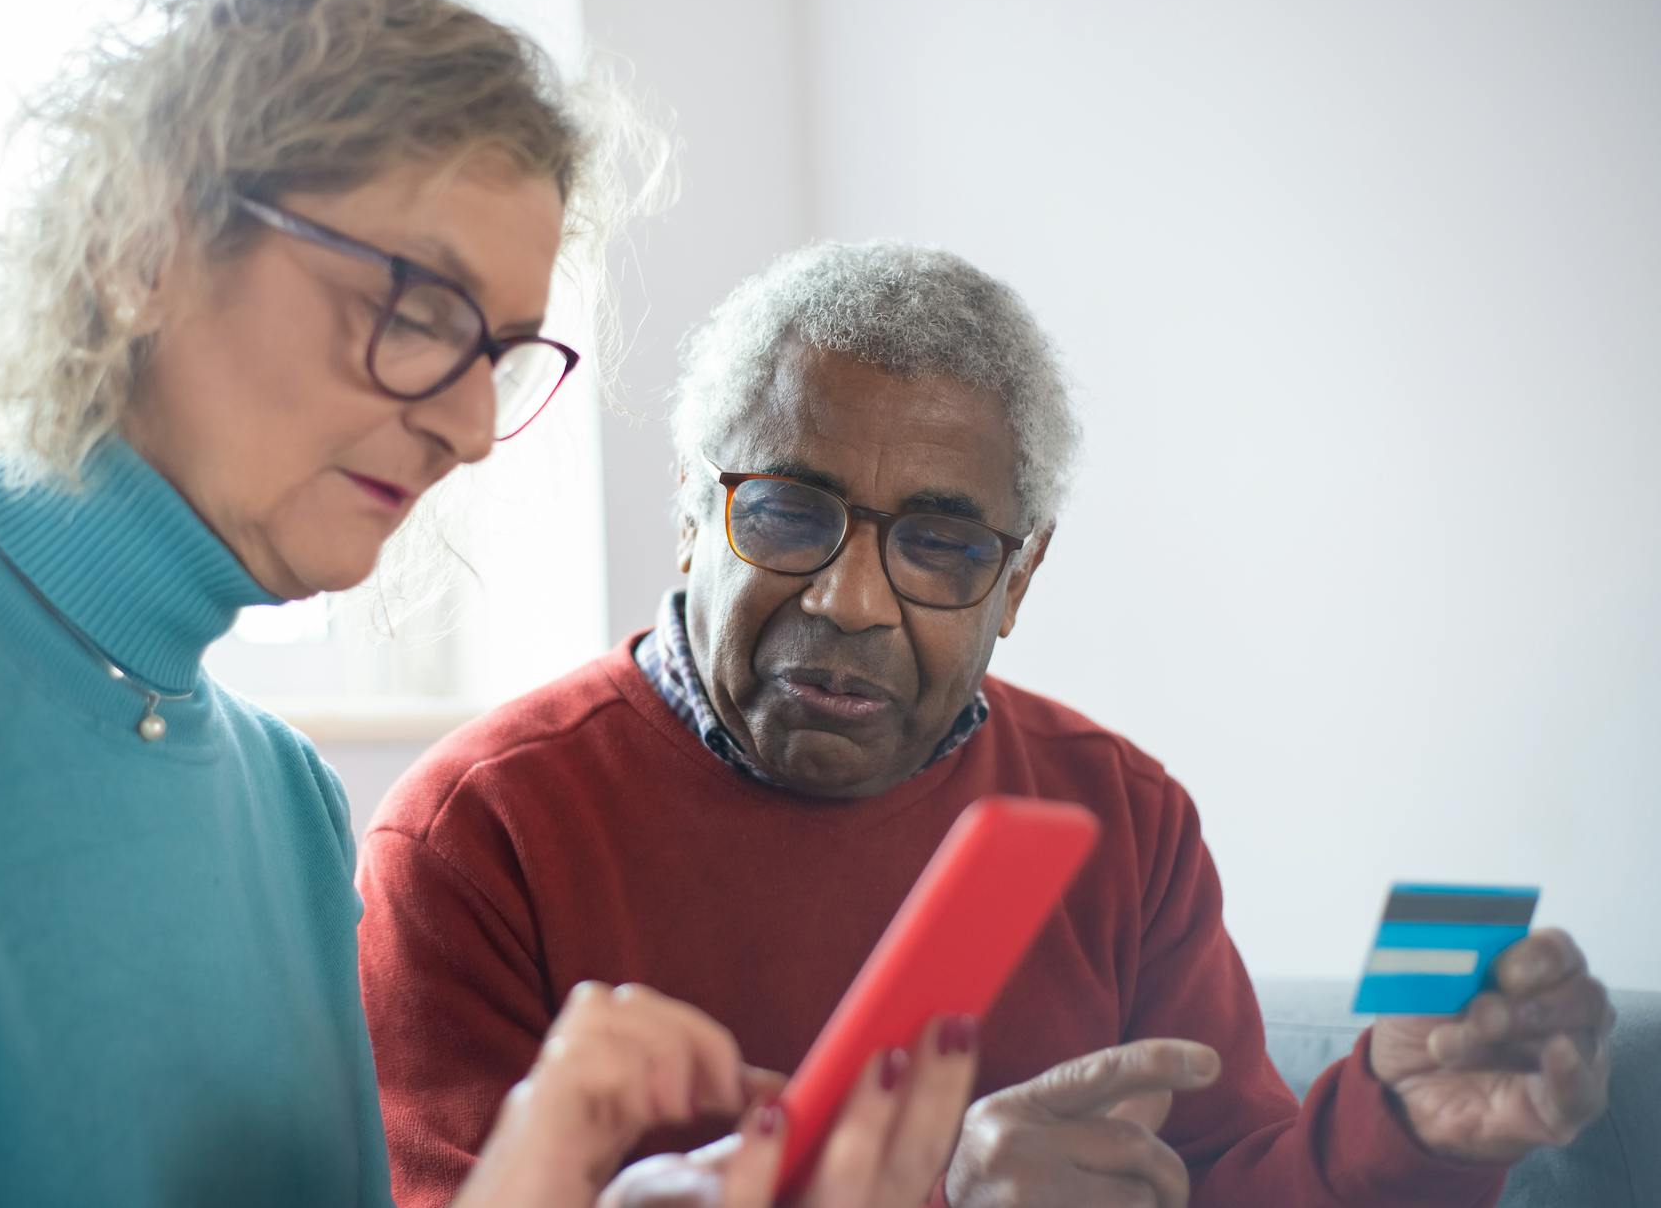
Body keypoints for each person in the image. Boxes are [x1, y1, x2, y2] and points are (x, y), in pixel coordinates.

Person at [0, 0, 978, 1205]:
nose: (466, 428)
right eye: (416, 309)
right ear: (143, 245)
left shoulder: (284, 796)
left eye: (503, 355)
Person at [357, 240, 1616, 1208]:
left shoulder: (1117, 815)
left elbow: (1228, 1179)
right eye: (789, 514)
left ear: (1016, 584)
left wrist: (1397, 1126)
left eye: (941, 544)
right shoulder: (476, 832)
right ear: (693, 517)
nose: (849, 601)